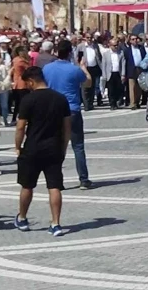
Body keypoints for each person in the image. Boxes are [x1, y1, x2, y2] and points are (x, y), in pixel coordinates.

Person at [13, 67, 71, 236]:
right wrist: (64, 147)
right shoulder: (60, 99)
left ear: (31, 81)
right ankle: (56, 223)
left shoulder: (28, 100)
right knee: (54, 187)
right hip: (53, 148)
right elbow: (67, 127)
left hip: (32, 147)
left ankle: (22, 218)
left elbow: (21, 127)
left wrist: (18, 146)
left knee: (27, 185)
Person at [43, 40, 93, 190]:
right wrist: (83, 67)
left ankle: (56, 181)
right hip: (72, 109)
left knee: (56, 146)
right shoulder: (74, 69)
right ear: (70, 53)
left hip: (53, 110)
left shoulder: (47, 68)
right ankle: (83, 179)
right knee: (78, 146)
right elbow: (88, 83)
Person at [101, 39, 126, 111]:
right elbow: (104, 65)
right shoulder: (106, 54)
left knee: (118, 89)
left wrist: (123, 74)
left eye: (117, 45)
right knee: (111, 90)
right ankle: (112, 104)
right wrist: (104, 76)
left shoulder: (120, 53)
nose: (116, 47)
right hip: (110, 73)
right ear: (110, 45)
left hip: (118, 73)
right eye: (114, 45)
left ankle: (118, 101)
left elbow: (123, 64)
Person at [11, 46, 31, 125]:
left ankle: (14, 118)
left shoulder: (15, 60)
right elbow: (29, 69)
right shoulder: (22, 61)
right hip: (22, 84)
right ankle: (24, 118)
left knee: (17, 103)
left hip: (16, 83)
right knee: (24, 102)